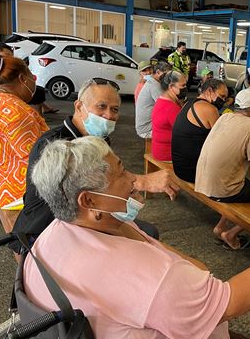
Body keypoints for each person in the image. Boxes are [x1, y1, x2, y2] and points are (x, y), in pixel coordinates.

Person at [26, 136, 250, 339]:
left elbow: (187, 268)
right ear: (88, 200)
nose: (133, 180)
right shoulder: (146, 275)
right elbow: (230, 304)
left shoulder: (49, 237)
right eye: (121, 172)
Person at [14, 80, 176, 246]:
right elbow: (70, 201)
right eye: (101, 106)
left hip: (85, 220)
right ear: (78, 107)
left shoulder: (98, 140)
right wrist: (141, 181)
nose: (109, 115)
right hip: (49, 228)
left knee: (143, 234)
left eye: (114, 109)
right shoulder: (55, 146)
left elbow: (108, 182)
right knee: (141, 239)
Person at [0, 54, 49, 235]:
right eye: (31, 76)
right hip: (16, 192)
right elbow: (39, 158)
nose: (33, 80)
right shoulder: (16, 111)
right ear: (23, 78)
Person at [196, 88, 250, 250]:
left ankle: (220, 227)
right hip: (222, 189)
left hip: (203, 181)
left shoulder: (225, 117)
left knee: (233, 181)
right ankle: (231, 233)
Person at [170, 78, 229, 184]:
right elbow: (222, 141)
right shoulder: (210, 109)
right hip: (194, 173)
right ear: (209, 91)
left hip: (179, 168)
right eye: (222, 96)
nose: (223, 101)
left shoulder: (188, 103)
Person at [149, 70, 189, 162]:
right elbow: (184, 133)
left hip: (159, 150)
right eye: (183, 85)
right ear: (171, 86)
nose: (185, 88)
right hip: (167, 154)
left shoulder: (162, 99)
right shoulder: (171, 108)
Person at [134, 61, 171, 140]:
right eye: (166, 75)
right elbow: (166, 105)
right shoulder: (154, 85)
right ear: (157, 72)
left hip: (147, 125)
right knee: (176, 132)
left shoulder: (153, 81)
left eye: (149, 69)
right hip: (146, 129)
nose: (148, 72)